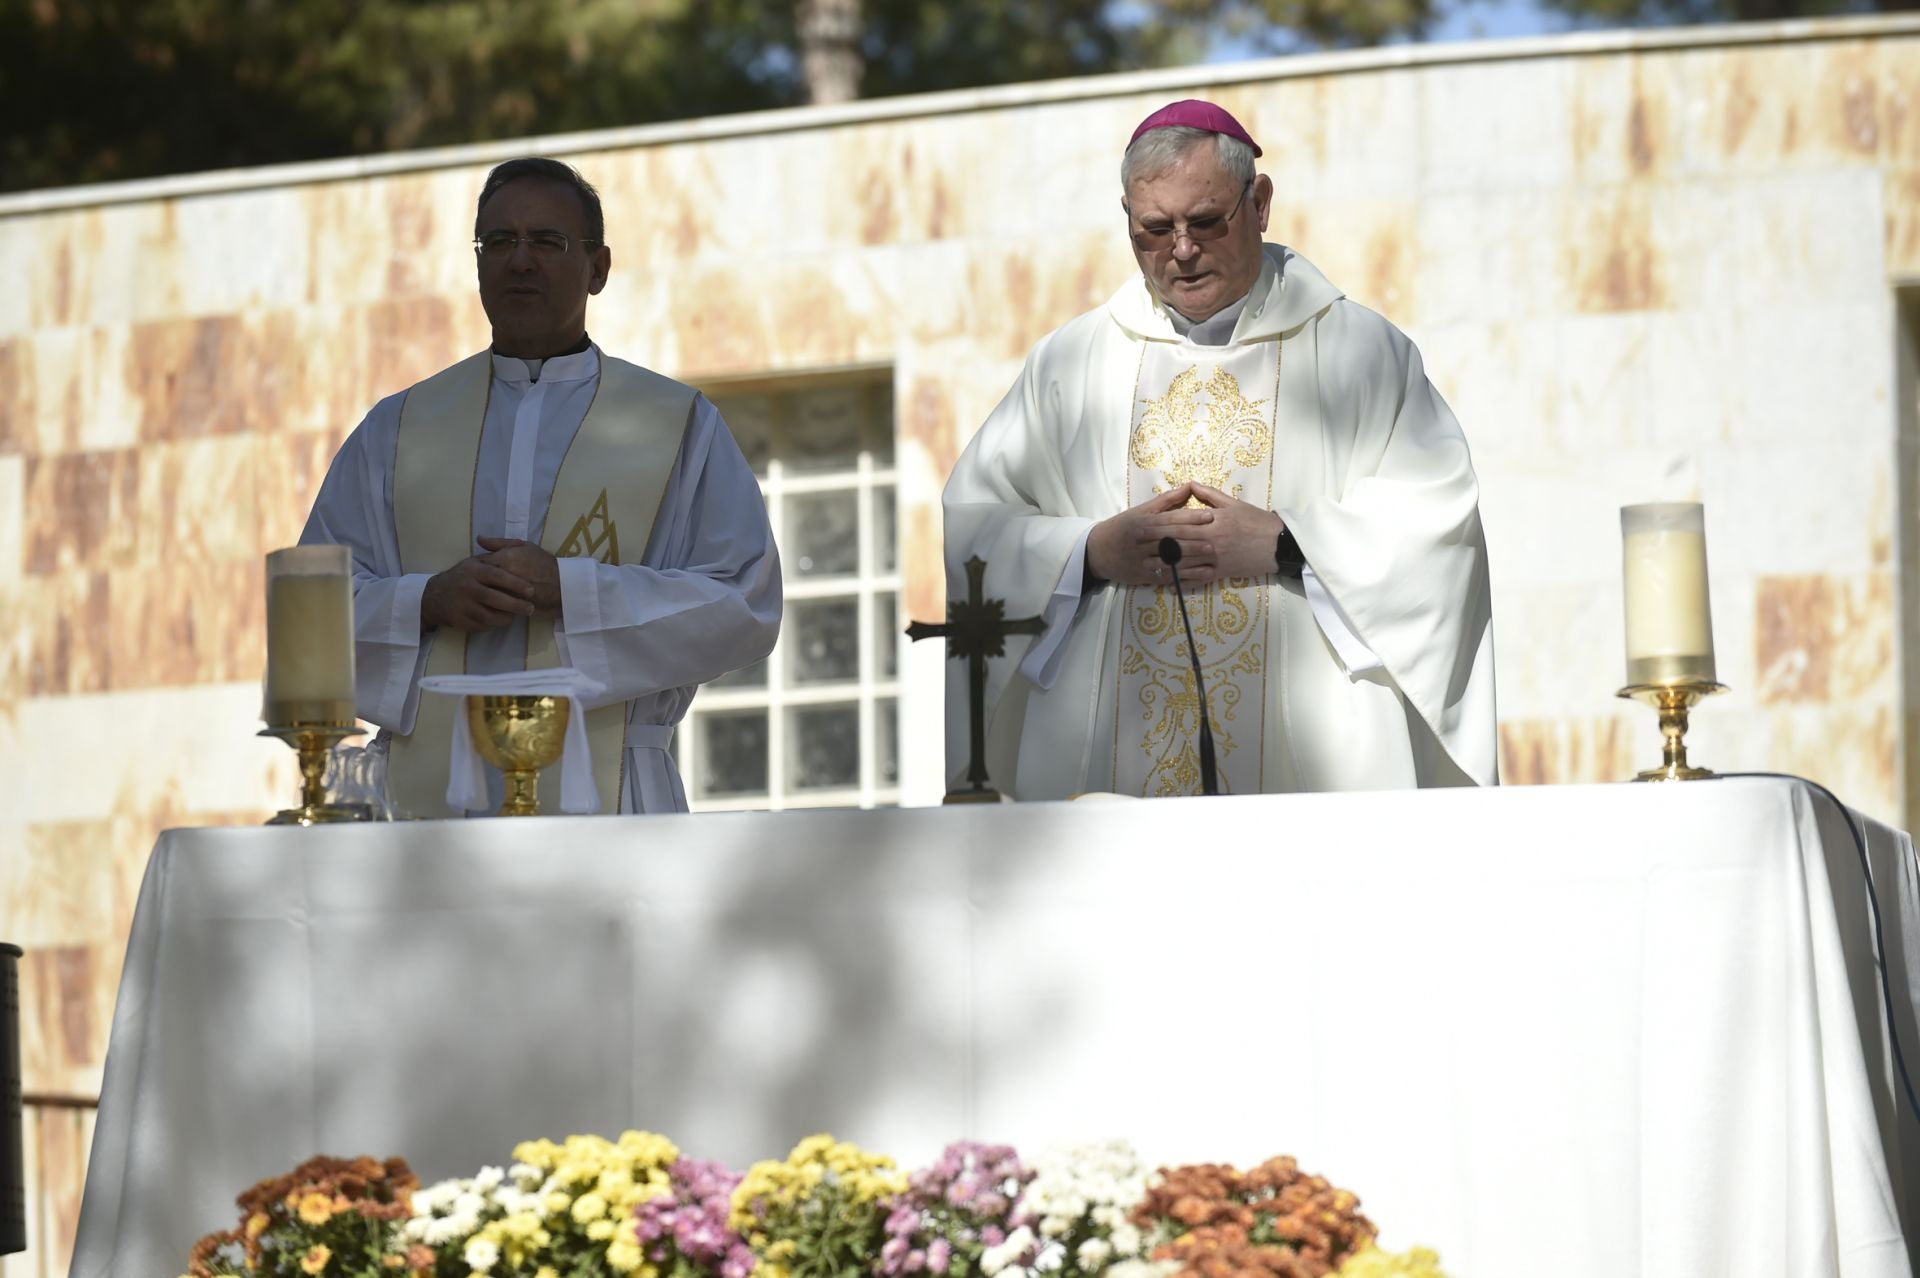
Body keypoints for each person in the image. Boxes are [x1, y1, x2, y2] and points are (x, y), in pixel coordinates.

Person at [943, 101, 1497, 799]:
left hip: (1312, 770)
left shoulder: (1360, 351)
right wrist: (1089, 551)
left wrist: (1286, 544)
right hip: (1107, 761)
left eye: (1206, 221)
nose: (1180, 249)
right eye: (1154, 229)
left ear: (1259, 203)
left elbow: (1439, 519)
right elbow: (975, 523)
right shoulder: (1070, 365)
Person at [301, 157, 780, 817]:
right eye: (499, 242)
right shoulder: (397, 430)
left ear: (599, 267)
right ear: (477, 266)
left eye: (547, 242)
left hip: (612, 794)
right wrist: (425, 601)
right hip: (426, 803)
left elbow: (744, 605)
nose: (519, 260)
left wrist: (572, 590)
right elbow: (312, 614)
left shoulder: (679, 426)